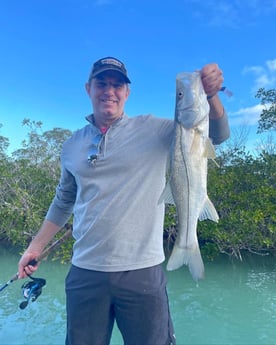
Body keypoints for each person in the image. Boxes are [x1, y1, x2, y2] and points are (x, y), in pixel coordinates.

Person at [18, 56, 230, 345]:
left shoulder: (155, 130)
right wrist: (35, 247)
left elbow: (217, 134)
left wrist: (212, 95)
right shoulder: (71, 146)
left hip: (142, 272)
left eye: (118, 85)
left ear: (127, 93)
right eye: (102, 83)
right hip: (85, 272)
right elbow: (63, 200)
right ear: (88, 89)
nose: (110, 91)